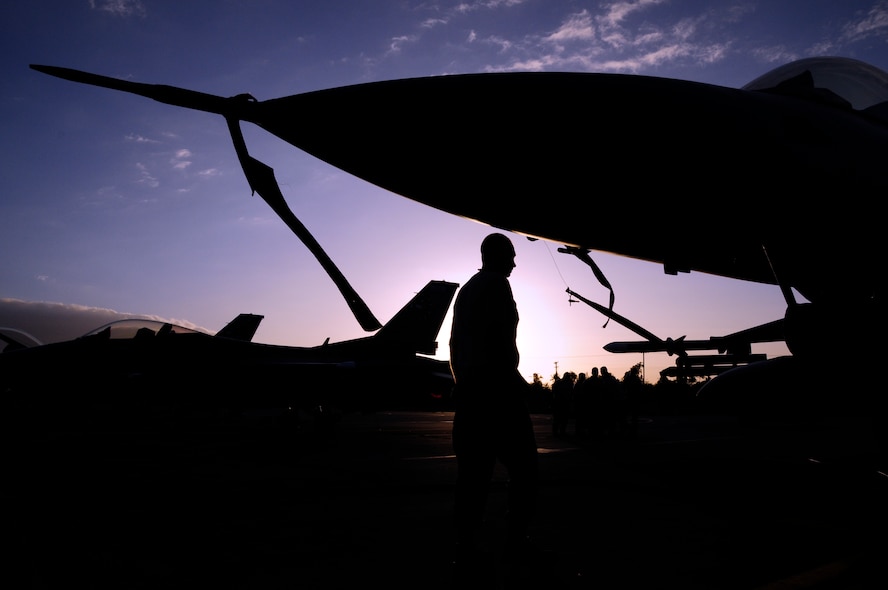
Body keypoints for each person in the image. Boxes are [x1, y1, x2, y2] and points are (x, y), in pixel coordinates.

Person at [449, 232, 540, 569]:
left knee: (472, 475)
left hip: (470, 393)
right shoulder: (497, 286)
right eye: (511, 255)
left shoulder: (467, 290)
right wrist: (513, 379)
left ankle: (466, 546)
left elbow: (455, 343)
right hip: (497, 394)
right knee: (525, 469)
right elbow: (498, 337)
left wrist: (462, 382)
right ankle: (516, 541)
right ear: (497, 255)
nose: (515, 262)